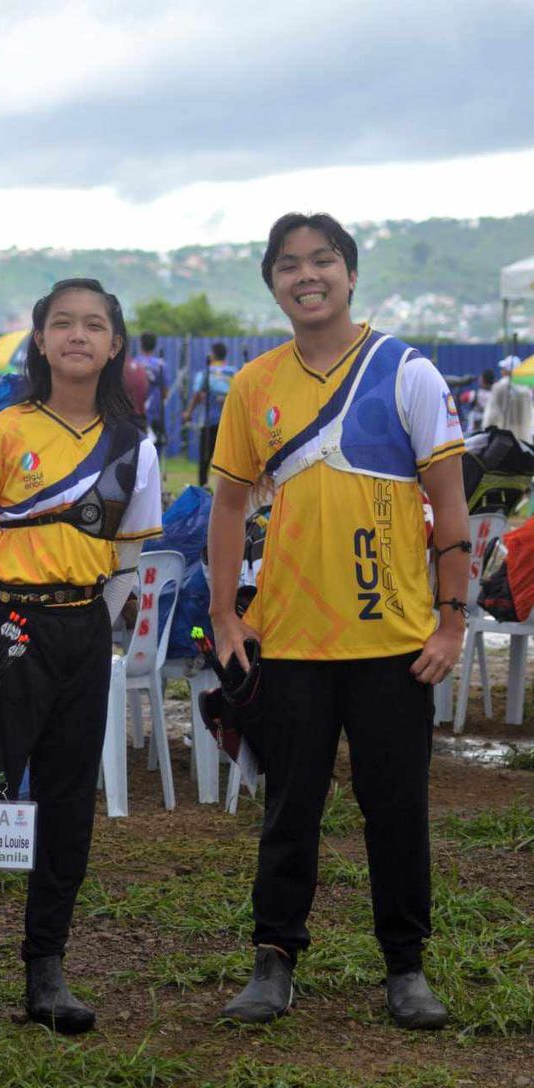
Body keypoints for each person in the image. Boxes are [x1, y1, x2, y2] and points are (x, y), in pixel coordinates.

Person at [208, 213, 470, 1030]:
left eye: (323, 260)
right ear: (274, 284)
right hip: (288, 639)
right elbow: (225, 506)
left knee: (397, 808)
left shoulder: (406, 372)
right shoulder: (255, 384)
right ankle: (273, 960)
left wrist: (451, 624)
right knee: (289, 807)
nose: (306, 274)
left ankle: (406, 967)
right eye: (289, 264)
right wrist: (225, 615)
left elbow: (452, 505)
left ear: (351, 275)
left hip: (394, 642)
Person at [0, 278, 162, 1048]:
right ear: (41, 339)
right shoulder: (0, 430)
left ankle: (45, 974)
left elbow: (128, 561)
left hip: (83, 635)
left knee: (66, 805)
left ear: (116, 343)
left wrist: (98, 626)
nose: (79, 336)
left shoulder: (136, 445)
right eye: (64, 323)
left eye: (95, 324)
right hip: (6, 633)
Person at [182, 342, 236, 487]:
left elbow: (197, 395)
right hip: (228, 423)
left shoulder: (205, 372)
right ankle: (227, 488)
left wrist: (188, 412)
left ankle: (203, 486)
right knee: (227, 459)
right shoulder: (233, 372)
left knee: (205, 457)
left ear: (212, 355)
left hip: (208, 422)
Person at [482, 356, 533, 442]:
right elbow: (530, 415)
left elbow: (491, 415)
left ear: (506, 371)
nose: (501, 371)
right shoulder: (526, 390)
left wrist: (486, 432)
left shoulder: (499, 387)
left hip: (504, 439)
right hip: (525, 439)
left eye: (503, 368)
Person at [133, 331, 167, 453]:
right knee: (154, 444)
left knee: (136, 444)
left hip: (135, 410)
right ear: (155, 345)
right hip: (154, 410)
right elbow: (165, 391)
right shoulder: (160, 365)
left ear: (140, 343)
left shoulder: (134, 363)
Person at [461, 369, 494, 435]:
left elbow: (462, 398)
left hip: (474, 432)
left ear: (483, 380)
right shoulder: (495, 394)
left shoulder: (475, 394)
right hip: (490, 430)